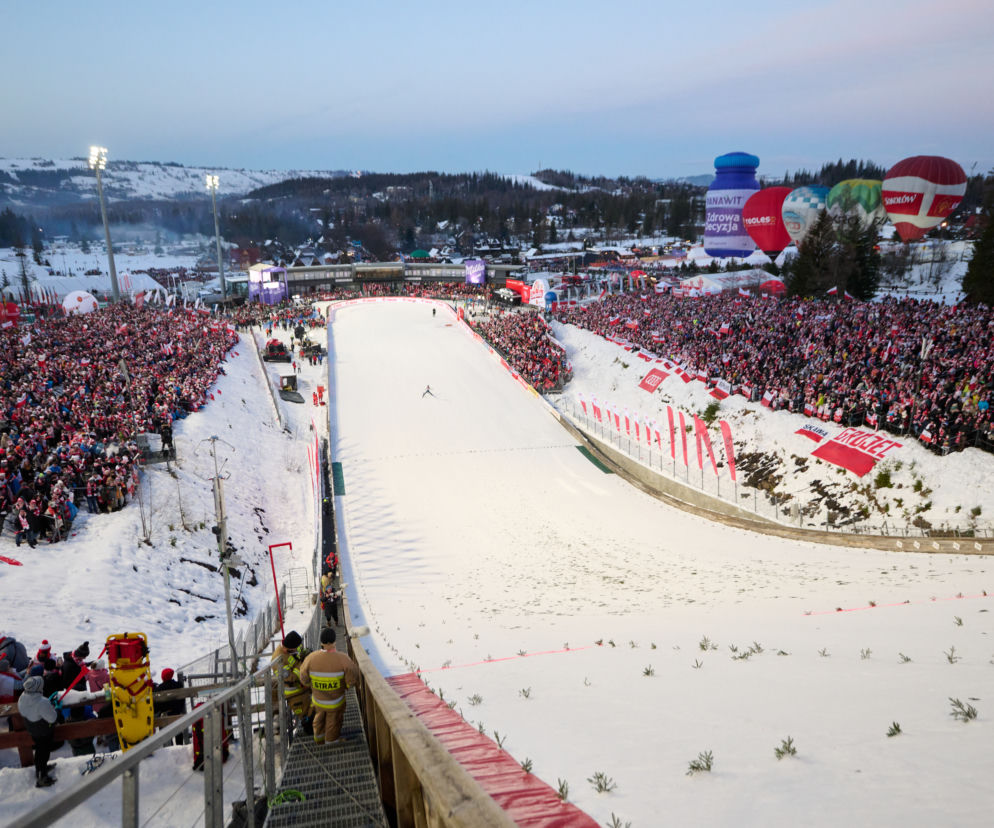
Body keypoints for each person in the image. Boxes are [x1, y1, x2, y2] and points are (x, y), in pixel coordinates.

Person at [299, 627, 359, 746]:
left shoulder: (311, 658)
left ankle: (319, 740)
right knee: (333, 722)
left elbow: (303, 678)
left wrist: (311, 685)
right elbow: (352, 679)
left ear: (321, 642)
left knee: (319, 719)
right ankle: (331, 742)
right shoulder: (343, 659)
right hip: (335, 702)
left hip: (318, 701)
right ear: (334, 641)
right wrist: (345, 686)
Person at [17, 675, 58, 788]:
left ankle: (40, 768)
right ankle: (42, 777)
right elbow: (52, 718)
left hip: (31, 727)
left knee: (40, 749)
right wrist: (54, 708)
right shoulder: (42, 702)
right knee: (44, 751)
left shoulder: (23, 696)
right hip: (43, 730)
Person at [270, 631, 312, 735]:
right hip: (294, 693)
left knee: (315, 708)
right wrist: (303, 666)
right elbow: (290, 677)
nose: (297, 651)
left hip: (304, 687)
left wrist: (304, 655)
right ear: (287, 649)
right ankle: (312, 732)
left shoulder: (291, 648)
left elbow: (297, 655)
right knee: (308, 716)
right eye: (294, 650)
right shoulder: (277, 660)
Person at [154, 668, 187, 745]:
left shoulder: (160, 688)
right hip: (177, 712)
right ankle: (180, 745)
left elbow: (157, 705)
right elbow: (182, 699)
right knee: (178, 730)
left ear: (163, 677)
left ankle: (169, 746)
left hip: (165, 714)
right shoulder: (178, 685)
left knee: (166, 732)